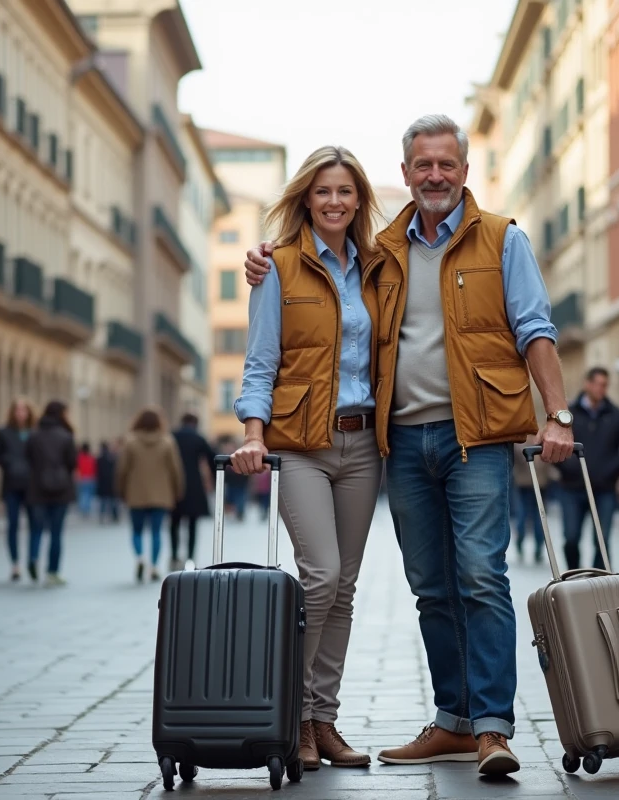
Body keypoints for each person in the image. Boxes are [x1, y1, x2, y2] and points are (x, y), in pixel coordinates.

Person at [244, 115, 575, 776]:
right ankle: (451, 720)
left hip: (472, 437)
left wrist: (558, 414)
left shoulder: (498, 239)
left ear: (464, 169)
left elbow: (535, 327)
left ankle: (491, 728)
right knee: (425, 586)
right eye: (423, 165)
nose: (435, 175)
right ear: (405, 174)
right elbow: (286, 324)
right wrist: (265, 260)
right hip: (395, 440)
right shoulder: (384, 251)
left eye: (446, 164)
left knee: (480, 575)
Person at [230, 145, 387, 771]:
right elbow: (260, 359)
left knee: (343, 588)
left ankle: (324, 722)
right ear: (306, 199)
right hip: (299, 444)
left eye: (345, 191)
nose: (334, 201)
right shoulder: (278, 267)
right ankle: (292, 716)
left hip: (363, 443)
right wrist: (253, 433)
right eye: (323, 191)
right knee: (319, 575)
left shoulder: (377, 267)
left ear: (359, 200)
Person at [557, 367, 619, 570]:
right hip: (572, 487)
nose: (602, 389)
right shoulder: (568, 414)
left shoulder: (617, 415)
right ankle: (574, 576)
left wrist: (610, 471)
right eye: (598, 384)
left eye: (605, 385)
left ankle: (600, 580)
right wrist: (568, 467)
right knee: (571, 537)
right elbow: (555, 443)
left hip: (604, 489)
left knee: (602, 540)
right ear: (587, 384)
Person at [117, 408, 184, 582]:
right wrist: (177, 490)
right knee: (156, 531)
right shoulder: (167, 442)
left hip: (135, 493)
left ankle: (140, 557)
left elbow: (122, 469)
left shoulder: (130, 442)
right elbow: (175, 470)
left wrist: (121, 490)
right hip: (161, 494)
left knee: (137, 530)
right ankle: (154, 566)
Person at [25, 400, 77, 586]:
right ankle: (52, 572)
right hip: (61, 490)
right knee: (56, 532)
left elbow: (28, 458)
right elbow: (72, 463)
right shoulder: (66, 436)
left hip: (37, 489)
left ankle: (33, 558)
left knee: (36, 529)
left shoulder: (34, 435)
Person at [0, 398, 37, 581]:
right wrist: (10, 464)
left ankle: (32, 559)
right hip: (11, 484)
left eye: (24, 410)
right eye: (17, 410)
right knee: (12, 524)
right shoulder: (4, 432)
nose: (20, 413)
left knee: (35, 524)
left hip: (32, 485)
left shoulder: (35, 432)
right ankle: (15, 563)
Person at [170, 413, 215, 571]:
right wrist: (215, 480)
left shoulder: (172, 437)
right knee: (192, 525)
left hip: (175, 485)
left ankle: (174, 556)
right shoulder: (199, 438)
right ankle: (190, 557)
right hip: (194, 485)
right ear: (195, 423)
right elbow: (212, 458)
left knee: (174, 523)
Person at [511, 435, 549, 565]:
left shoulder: (522, 435)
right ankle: (534, 547)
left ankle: (525, 544)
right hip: (535, 482)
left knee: (529, 515)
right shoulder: (543, 434)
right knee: (536, 516)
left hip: (527, 481)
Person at [96, 441, 119, 523]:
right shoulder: (112, 458)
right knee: (113, 501)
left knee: (103, 501)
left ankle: (102, 516)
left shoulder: (99, 459)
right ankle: (115, 515)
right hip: (111, 482)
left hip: (103, 482)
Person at [75, 442, 96, 516]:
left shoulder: (79, 458)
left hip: (82, 478)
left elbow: (77, 468)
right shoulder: (91, 458)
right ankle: (86, 508)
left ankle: (83, 508)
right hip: (90, 478)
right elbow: (94, 468)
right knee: (88, 495)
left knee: (82, 494)